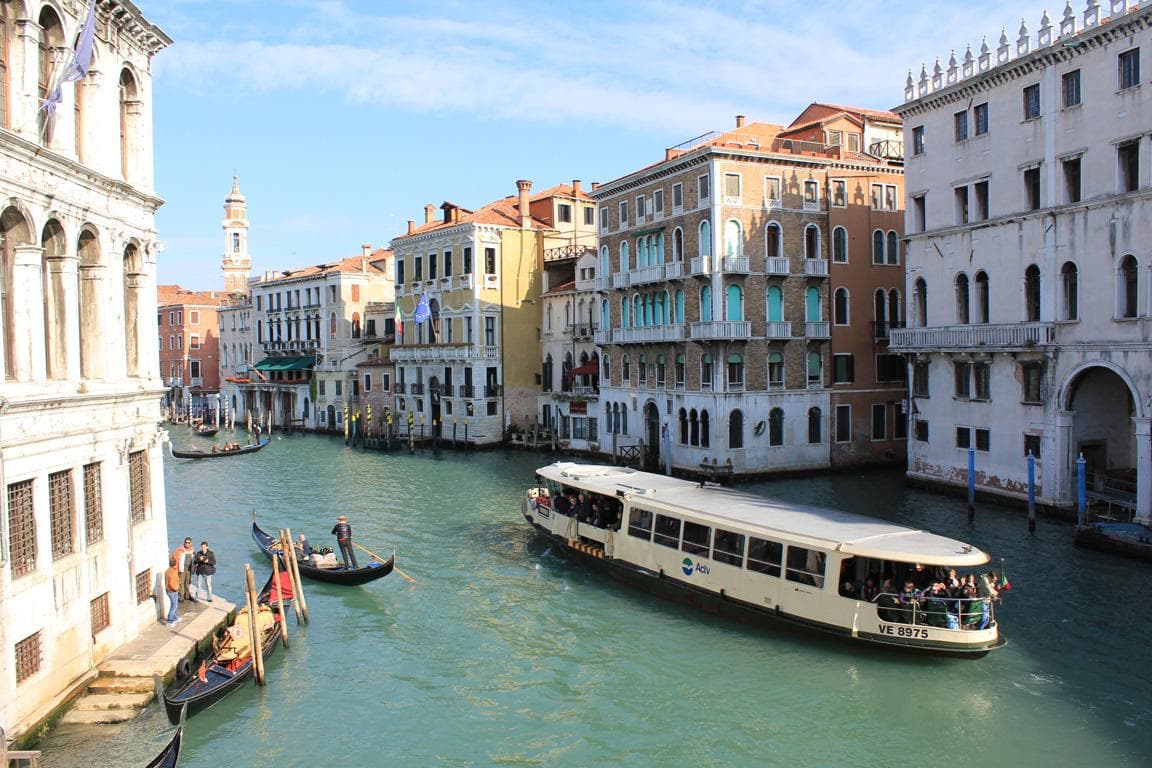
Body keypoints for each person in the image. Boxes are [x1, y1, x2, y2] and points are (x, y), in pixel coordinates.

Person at [174, 538, 195, 602]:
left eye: (188, 543)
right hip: (182, 569)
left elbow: (194, 560)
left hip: (189, 570)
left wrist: (194, 569)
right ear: (184, 543)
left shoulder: (192, 550)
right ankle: (181, 597)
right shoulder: (180, 549)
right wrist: (176, 568)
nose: (187, 544)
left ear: (190, 543)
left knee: (187, 583)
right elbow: (175, 559)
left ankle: (187, 596)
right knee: (181, 583)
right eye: (186, 542)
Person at [165, 555, 180, 626]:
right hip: (172, 591)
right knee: (174, 605)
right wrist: (176, 588)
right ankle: (170, 620)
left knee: (174, 604)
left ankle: (175, 617)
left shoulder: (168, 571)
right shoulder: (173, 572)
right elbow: (172, 583)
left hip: (169, 590)